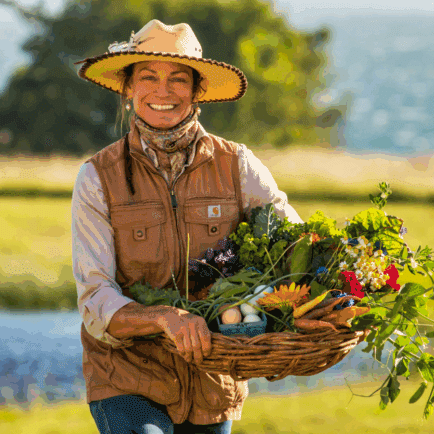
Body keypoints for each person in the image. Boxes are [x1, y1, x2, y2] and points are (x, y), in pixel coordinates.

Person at [71, 19, 302, 434]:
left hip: (214, 378)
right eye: (148, 77)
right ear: (127, 88)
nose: (163, 91)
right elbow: (95, 298)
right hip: (126, 375)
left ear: (198, 92)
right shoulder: (96, 177)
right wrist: (164, 318)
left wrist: (323, 296)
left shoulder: (238, 165)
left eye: (179, 79)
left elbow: (293, 244)